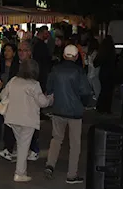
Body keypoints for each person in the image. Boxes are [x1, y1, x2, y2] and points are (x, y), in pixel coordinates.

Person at [0, 59, 53, 182]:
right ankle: (20, 173)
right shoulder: (34, 85)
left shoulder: (13, 80)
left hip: (12, 117)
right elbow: (43, 102)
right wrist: (50, 99)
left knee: (21, 145)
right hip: (27, 119)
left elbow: (3, 95)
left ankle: (21, 171)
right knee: (23, 146)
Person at [45, 45, 92, 184]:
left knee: (56, 139)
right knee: (75, 144)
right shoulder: (79, 71)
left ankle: (50, 164)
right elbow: (85, 92)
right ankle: (71, 174)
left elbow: (49, 88)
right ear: (76, 56)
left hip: (58, 109)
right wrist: (84, 104)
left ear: (64, 56)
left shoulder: (55, 69)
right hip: (75, 112)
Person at [0, 44, 19, 156]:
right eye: (5, 50)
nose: (7, 53)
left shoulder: (17, 66)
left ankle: (8, 146)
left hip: (12, 96)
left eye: (9, 50)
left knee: (10, 121)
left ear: (14, 53)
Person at [93, 35, 117, 114]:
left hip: (103, 73)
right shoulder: (112, 53)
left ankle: (101, 107)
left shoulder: (102, 52)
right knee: (109, 92)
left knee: (103, 90)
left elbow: (96, 63)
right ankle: (107, 108)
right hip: (111, 73)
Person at [31, 26, 51, 92]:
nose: (48, 35)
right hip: (41, 72)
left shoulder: (32, 42)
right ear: (42, 33)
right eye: (46, 33)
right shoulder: (42, 45)